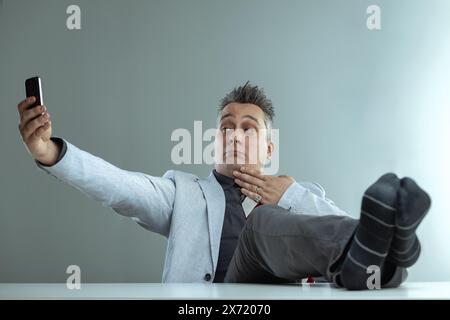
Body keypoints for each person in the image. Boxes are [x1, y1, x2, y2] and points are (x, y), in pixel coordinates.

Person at [16, 82, 430, 289]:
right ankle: (401, 250)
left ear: (268, 147)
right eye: (226, 126)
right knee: (262, 225)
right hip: (212, 309)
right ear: (215, 140)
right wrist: (50, 151)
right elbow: (120, 187)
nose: (234, 134)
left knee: (274, 219)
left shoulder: (300, 195)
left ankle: (392, 256)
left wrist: (289, 194)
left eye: (248, 128)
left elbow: (345, 232)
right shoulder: (183, 192)